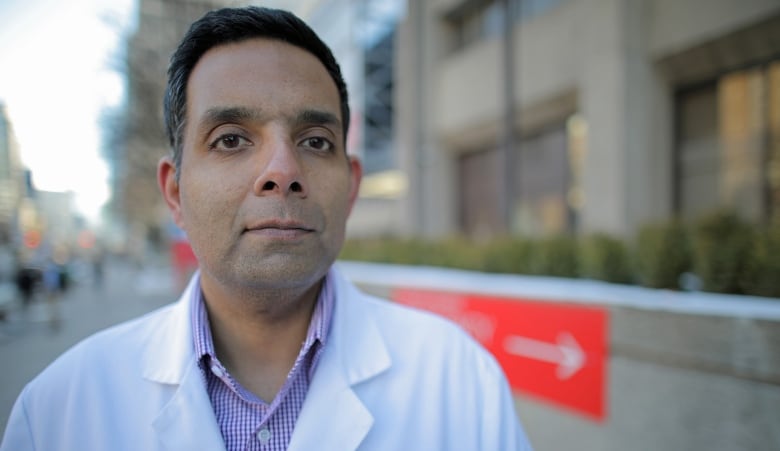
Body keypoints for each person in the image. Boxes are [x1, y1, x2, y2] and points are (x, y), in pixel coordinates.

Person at [0, 7, 532, 451]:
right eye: (231, 139)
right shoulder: (59, 413)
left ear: (349, 188)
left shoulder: (462, 385)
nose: (283, 171)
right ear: (175, 192)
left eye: (316, 140)